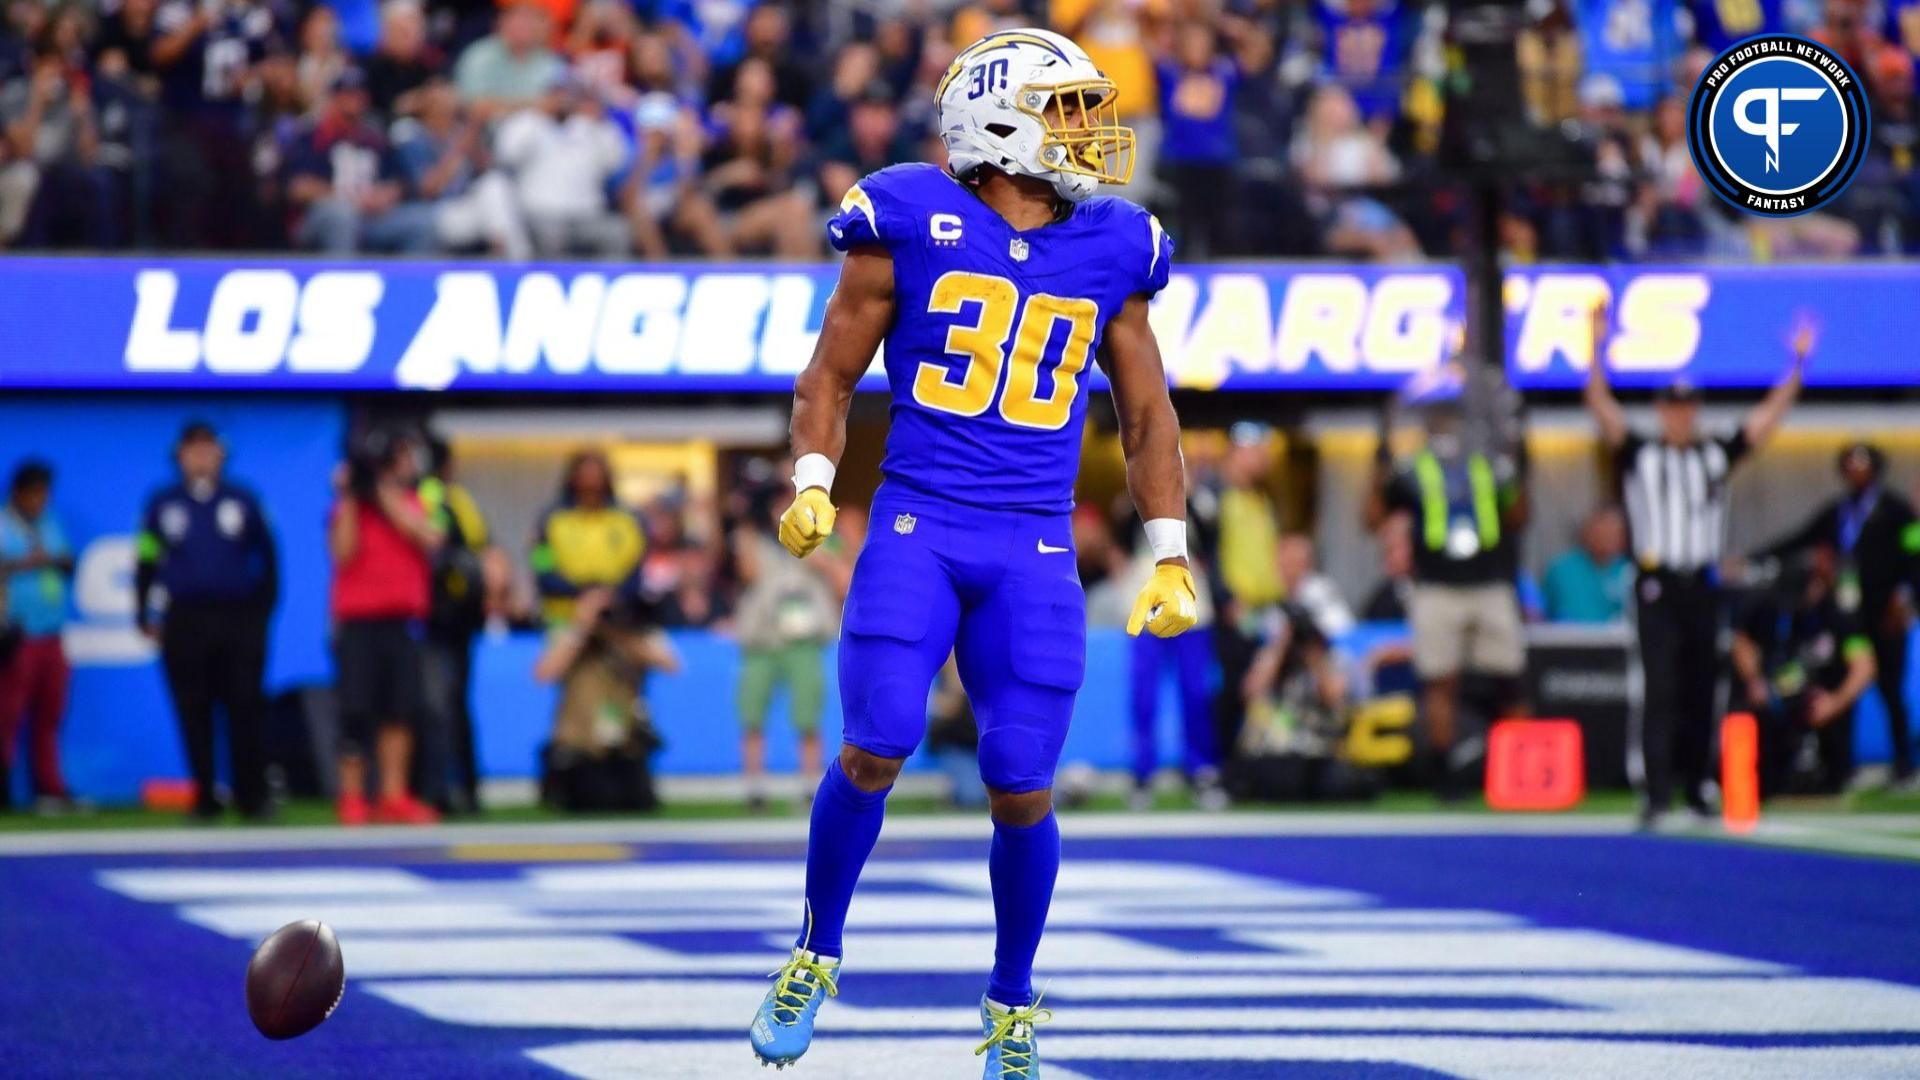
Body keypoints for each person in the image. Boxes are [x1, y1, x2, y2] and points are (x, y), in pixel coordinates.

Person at [747, 28, 1196, 1079]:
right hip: (920, 524)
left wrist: (1169, 548)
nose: (1091, 136)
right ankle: (815, 949)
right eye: (1068, 113)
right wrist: (814, 483)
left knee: (1021, 776)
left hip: (1036, 542)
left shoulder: (1114, 243)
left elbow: (1147, 412)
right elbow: (829, 376)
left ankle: (1012, 1000)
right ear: (998, 123)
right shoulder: (907, 212)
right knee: (879, 739)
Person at [1586, 302, 1809, 826]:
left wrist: (1797, 367)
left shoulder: (1714, 454)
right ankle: (1656, 791)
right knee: (1658, 685)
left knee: (1702, 686)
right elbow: (1600, 405)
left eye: (1689, 406)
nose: (1682, 415)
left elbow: (1764, 421)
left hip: (1702, 583)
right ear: (1662, 410)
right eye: (1673, 406)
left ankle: (1696, 787)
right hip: (1657, 582)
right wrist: (1594, 349)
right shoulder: (1642, 454)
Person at [1366, 369, 1528, 799]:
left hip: (1489, 581)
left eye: (1453, 415)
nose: (1446, 425)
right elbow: (1374, 517)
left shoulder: (1488, 466)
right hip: (1436, 583)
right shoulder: (1415, 469)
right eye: (1439, 416)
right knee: (1440, 680)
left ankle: (1522, 770)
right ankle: (1445, 776)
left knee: (1510, 677)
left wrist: (1516, 461)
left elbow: (1517, 517)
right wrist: (1379, 460)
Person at [1752, 441, 1920, 790]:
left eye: (1863, 466)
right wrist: (1755, 556)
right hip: (1847, 615)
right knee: (1844, 683)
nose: (1856, 473)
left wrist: (1905, 598)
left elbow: (1915, 556)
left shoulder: (1896, 510)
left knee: (1890, 688)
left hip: (1885, 613)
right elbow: (1801, 538)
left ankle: (1904, 763)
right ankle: (1843, 764)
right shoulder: (1838, 512)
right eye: (1850, 466)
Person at [134, 422, 278, 821]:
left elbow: (268, 559)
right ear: (178, 455)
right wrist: (143, 611)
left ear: (221, 454)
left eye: (207, 448)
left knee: (244, 705)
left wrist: (260, 613)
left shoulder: (243, 500)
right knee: (192, 708)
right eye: (192, 449)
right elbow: (146, 559)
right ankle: (205, 796)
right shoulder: (162, 504)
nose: (200, 457)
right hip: (186, 618)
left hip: (237, 617)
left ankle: (252, 797)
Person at [328, 428, 442, 826]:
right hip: (359, 621)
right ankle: (353, 797)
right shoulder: (351, 507)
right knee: (355, 711)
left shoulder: (418, 500)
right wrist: (353, 498)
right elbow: (343, 552)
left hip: (402, 619)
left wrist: (384, 495)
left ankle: (394, 795)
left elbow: (429, 538)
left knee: (400, 710)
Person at [732, 488, 850, 813]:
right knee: (752, 713)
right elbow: (748, 573)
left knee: (807, 714)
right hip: (763, 640)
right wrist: (757, 531)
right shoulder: (752, 539)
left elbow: (842, 577)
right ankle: (754, 787)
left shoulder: (823, 537)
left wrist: (808, 543)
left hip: (804, 639)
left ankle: (809, 785)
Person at [1733, 546, 1878, 797]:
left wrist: (1835, 702)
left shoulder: (1839, 614)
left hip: (1825, 702)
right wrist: (1754, 680)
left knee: (1830, 767)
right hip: (1780, 699)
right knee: (1749, 715)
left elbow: (1865, 666)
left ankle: (1829, 770)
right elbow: (1741, 641)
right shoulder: (1775, 607)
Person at [531, 580, 679, 812]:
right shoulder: (568, 635)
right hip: (581, 748)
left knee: (637, 801)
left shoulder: (632, 634)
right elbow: (544, 673)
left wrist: (617, 632)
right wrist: (582, 628)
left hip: (623, 745)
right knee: (593, 797)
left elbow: (671, 664)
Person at [416, 436, 491, 815]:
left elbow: (471, 551)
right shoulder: (443, 497)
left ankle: (446, 790)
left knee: (442, 704)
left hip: (442, 618)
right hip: (439, 617)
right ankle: (459, 789)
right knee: (447, 704)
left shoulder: (439, 497)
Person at [0, 461, 78, 813]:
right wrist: (25, 562)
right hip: (16, 633)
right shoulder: (3, 525)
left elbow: (67, 560)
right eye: (33, 493)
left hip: (52, 632)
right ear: (17, 492)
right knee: (8, 712)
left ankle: (49, 787)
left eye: (44, 494)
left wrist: (55, 559)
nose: (39, 501)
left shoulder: (51, 522)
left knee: (51, 713)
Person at [530, 448, 645, 626]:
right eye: (585, 474)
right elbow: (542, 567)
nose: (591, 481)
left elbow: (637, 571)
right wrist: (581, 593)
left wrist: (608, 596)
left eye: (596, 474)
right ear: (573, 477)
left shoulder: (628, 521)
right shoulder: (550, 520)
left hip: (616, 620)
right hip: (563, 620)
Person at [1542, 505, 1633, 623]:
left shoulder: (1630, 571)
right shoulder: (1560, 569)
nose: (1606, 538)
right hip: (1567, 639)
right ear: (1587, 532)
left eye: (1613, 532)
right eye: (1601, 530)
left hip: (1616, 639)